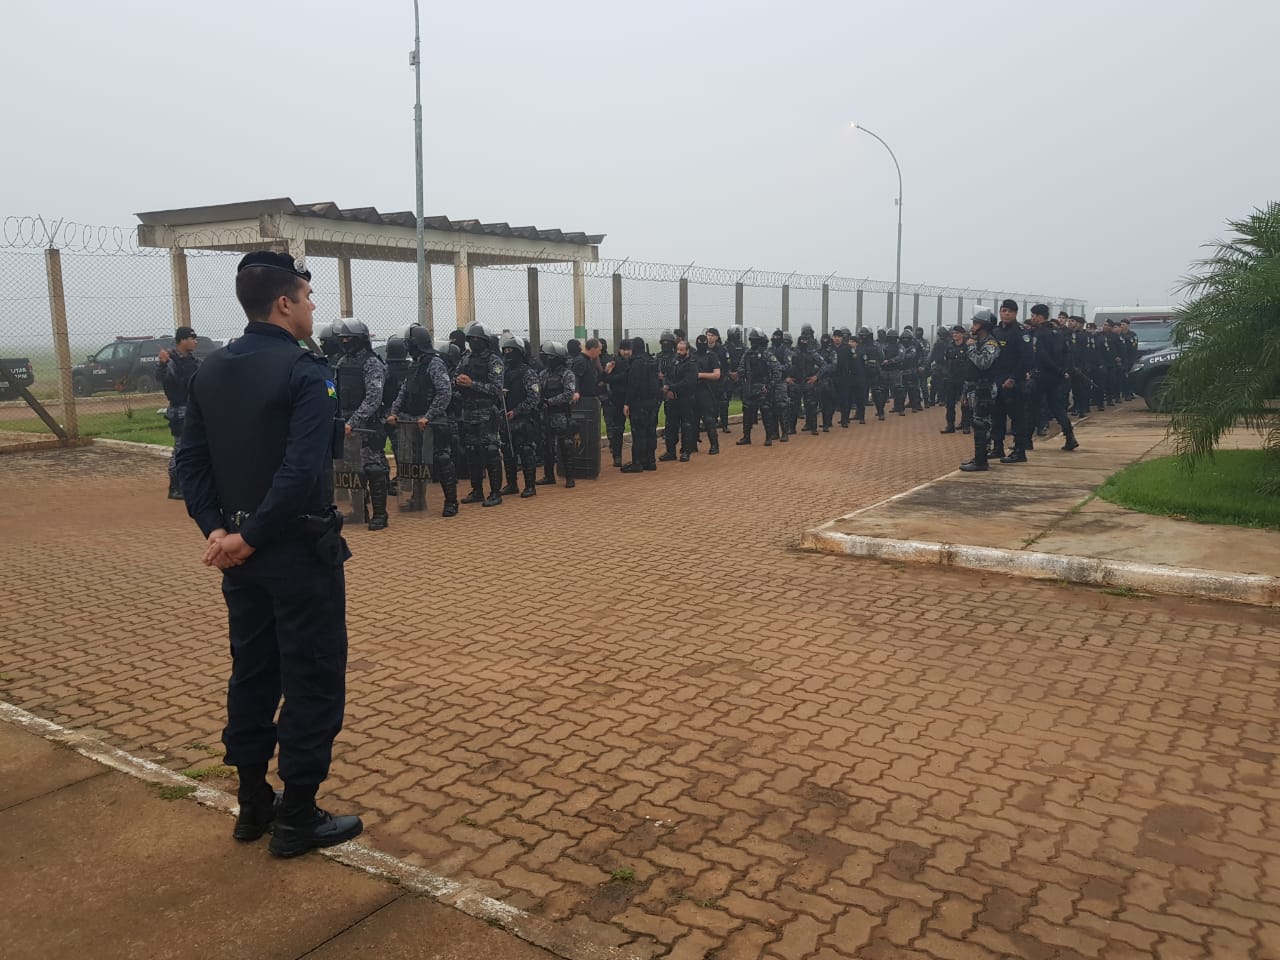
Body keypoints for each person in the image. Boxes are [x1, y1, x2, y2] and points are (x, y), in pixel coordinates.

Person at [176, 250, 362, 858]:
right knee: (312, 676)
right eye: (307, 297)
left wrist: (218, 531)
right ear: (284, 302)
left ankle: (253, 801)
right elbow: (301, 470)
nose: (313, 306)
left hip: (240, 558)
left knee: (253, 672)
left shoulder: (211, 369)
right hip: (296, 553)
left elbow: (191, 463)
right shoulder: (306, 371)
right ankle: (298, 814)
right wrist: (251, 535)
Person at [387, 325, 458, 515]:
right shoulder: (414, 365)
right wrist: (394, 412)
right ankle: (418, 499)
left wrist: (429, 415)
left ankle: (451, 502)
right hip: (413, 422)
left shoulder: (435, 364)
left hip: (433, 422)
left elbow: (444, 393)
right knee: (417, 462)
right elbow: (404, 391)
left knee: (442, 459)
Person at [335, 320, 390, 530]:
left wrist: (353, 421)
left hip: (367, 426)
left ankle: (380, 514)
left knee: (372, 469)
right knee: (352, 470)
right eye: (341, 339)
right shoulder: (342, 362)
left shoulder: (372, 363)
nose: (344, 342)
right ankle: (359, 511)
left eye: (348, 338)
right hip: (346, 426)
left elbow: (374, 398)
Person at [455, 321, 506, 507]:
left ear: (485, 341)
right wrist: (458, 381)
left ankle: (495, 493)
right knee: (471, 451)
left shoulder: (494, 361)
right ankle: (477, 490)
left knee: (490, 450)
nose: (474, 342)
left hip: (486, 412)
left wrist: (472, 384)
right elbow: (455, 377)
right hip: (468, 411)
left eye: (477, 339)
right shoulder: (465, 359)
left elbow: (497, 389)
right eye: (471, 339)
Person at [1022, 304, 1078, 452]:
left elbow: (1042, 355)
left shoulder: (1038, 333)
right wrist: (1063, 370)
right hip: (1056, 377)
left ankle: (1026, 441)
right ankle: (1070, 437)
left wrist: (1058, 370)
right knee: (1057, 408)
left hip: (1042, 375)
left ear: (1040, 316)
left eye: (1033, 316)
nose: (1032, 318)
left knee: (1032, 408)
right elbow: (1067, 353)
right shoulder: (1058, 332)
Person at [157, 325, 201, 499]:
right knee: (180, 448)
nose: (195, 342)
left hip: (194, 408)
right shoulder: (171, 361)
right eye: (192, 338)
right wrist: (162, 364)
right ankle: (175, 486)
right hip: (179, 410)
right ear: (182, 340)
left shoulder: (193, 361)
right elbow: (162, 377)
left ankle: (191, 483)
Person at [498, 335, 542, 497]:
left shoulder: (528, 372)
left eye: (511, 350)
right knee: (507, 451)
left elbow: (534, 397)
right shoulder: (504, 372)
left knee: (526, 451)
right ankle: (511, 484)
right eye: (505, 350)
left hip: (524, 419)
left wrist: (516, 411)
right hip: (506, 418)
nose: (508, 354)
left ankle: (530, 486)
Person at [959, 308, 1001, 472]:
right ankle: (979, 457)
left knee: (981, 424)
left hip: (984, 389)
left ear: (984, 326)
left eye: (976, 323)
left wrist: (971, 348)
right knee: (978, 424)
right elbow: (970, 369)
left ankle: (981, 461)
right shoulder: (977, 343)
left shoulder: (990, 344)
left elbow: (984, 363)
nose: (972, 326)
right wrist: (965, 392)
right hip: (973, 387)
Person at [990, 300, 1028, 462]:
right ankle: (997, 448)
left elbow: (1026, 358)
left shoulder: (1020, 332)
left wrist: (1013, 377)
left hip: (1013, 381)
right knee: (997, 416)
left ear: (1015, 313)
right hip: (996, 380)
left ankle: (1019, 451)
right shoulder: (995, 331)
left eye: (1010, 311)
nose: (1006, 314)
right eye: (1004, 310)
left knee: (1017, 417)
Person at [536, 341, 578, 487]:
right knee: (546, 446)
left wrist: (550, 401)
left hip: (561, 415)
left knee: (565, 446)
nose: (547, 359)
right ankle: (549, 476)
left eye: (550, 356)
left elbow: (568, 394)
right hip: (546, 415)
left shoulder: (567, 374)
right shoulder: (543, 374)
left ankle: (569, 477)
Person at [736, 327, 783, 446]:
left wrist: (771, 384)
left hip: (763, 387)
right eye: (752, 340)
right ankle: (746, 437)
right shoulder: (747, 353)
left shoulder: (766, 353)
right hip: (750, 387)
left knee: (766, 412)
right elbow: (740, 368)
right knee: (747, 412)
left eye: (755, 340)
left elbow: (777, 369)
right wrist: (743, 379)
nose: (753, 343)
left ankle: (768, 437)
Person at [620, 336, 659, 472]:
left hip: (639, 402)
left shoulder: (636, 363)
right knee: (650, 431)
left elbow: (633, 385)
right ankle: (650, 461)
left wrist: (627, 403)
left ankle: (637, 462)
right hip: (652, 402)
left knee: (638, 433)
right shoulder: (651, 360)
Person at [660, 338, 699, 461]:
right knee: (670, 426)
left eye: (682, 350)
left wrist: (671, 388)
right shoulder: (674, 362)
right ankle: (670, 452)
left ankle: (686, 451)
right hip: (673, 399)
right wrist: (668, 389)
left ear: (687, 351)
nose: (679, 352)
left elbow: (687, 382)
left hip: (686, 399)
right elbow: (667, 376)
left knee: (686, 426)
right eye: (678, 349)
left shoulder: (692, 364)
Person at [602, 340, 631, 468]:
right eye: (624, 349)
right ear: (620, 350)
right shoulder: (614, 361)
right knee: (618, 429)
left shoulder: (635, 361)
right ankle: (617, 456)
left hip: (633, 398)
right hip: (617, 398)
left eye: (628, 349)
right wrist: (622, 376)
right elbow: (606, 379)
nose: (626, 352)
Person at [694, 332, 723, 454]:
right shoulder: (692, 356)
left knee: (708, 419)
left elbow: (717, 374)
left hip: (706, 390)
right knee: (692, 419)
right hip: (693, 390)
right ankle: (692, 445)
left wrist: (700, 375)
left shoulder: (712, 356)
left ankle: (714, 445)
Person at [938, 325, 970, 434]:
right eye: (953, 333)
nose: (955, 335)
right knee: (950, 404)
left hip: (963, 379)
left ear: (962, 334)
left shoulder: (967, 347)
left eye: (957, 333)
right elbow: (945, 361)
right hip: (951, 379)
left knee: (965, 403)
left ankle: (966, 425)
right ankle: (950, 425)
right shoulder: (949, 346)